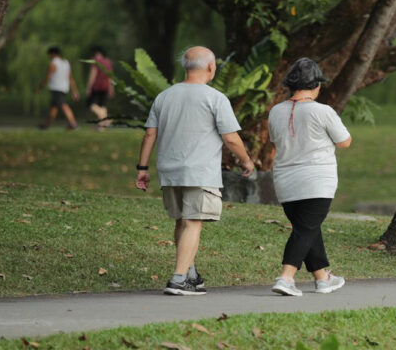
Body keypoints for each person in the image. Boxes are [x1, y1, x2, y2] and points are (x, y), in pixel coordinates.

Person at [135, 46, 255, 296]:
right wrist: (245, 160)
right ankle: (179, 279)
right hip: (198, 172)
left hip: (170, 170)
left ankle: (190, 274)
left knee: (182, 220)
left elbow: (149, 134)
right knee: (193, 221)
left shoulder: (164, 96)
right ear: (211, 68)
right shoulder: (215, 98)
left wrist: (143, 168)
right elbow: (231, 138)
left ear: (185, 67)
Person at [268, 58, 352, 297]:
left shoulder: (276, 111)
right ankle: (286, 278)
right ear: (316, 85)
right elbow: (345, 141)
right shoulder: (322, 111)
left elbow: (275, 141)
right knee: (305, 230)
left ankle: (323, 278)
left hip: (285, 181)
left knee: (307, 228)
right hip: (316, 180)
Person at [36, 47, 79, 130]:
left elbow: (47, 77)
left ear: (53, 54)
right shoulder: (66, 63)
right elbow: (70, 78)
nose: (49, 57)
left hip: (57, 88)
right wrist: (74, 90)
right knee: (54, 107)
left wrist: (40, 87)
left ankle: (73, 123)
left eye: (49, 55)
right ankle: (46, 125)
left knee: (63, 105)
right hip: (64, 88)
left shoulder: (53, 63)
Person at [86, 46, 115, 131]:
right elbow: (110, 76)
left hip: (96, 86)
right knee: (102, 105)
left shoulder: (95, 61)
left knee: (90, 104)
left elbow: (93, 75)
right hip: (106, 86)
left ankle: (106, 119)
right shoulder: (108, 61)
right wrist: (111, 88)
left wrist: (89, 87)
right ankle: (101, 127)